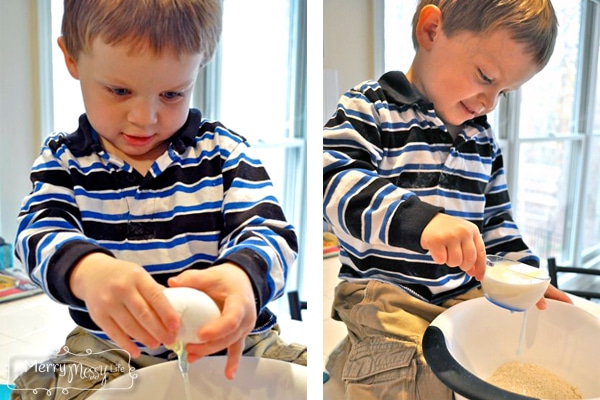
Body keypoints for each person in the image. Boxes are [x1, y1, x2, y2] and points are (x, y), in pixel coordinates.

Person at [12, 0, 305, 398]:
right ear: (71, 58)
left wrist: (242, 276)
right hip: (111, 349)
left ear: (201, 64)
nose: (145, 117)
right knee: (37, 391)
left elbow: (270, 233)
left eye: (171, 93)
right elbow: (36, 234)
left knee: (304, 380)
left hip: (231, 343)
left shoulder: (225, 154)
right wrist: (87, 270)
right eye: (119, 90)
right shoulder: (64, 162)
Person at [323, 1, 572, 399]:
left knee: (507, 364)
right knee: (415, 376)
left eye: (503, 92)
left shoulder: (482, 141)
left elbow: (498, 226)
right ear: (431, 30)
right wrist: (421, 221)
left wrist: (525, 280)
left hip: (458, 296)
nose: (489, 101)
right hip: (387, 296)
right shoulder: (368, 109)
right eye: (485, 77)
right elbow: (334, 181)